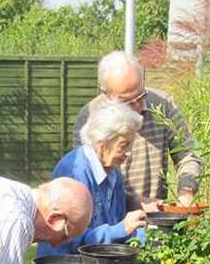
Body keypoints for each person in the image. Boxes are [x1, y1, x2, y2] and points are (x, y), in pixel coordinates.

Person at [72, 51, 202, 211]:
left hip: (156, 217)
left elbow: (187, 156)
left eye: (141, 95)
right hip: (109, 221)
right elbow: (90, 182)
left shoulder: (162, 105)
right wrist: (136, 202)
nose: (138, 105)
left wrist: (186, 192)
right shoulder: (89, 117)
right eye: (127, 101)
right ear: (105, 94)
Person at [39, 103, 148, 256]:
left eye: (130, 145)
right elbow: (68, 237)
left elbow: (116, 226)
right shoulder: (74, 172)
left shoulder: (113, 172)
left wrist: (145, 234)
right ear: (102, 144)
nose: (128, 153)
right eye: (124, 145)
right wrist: (121, 229)